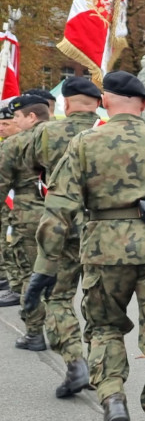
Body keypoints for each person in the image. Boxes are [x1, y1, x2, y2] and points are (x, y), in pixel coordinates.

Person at [25, 71, 145, 421]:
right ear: (142, 104)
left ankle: (113, 399)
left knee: (104, 328)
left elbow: (59, 209)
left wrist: (45, 266)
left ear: (106, 101)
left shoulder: (85, 144)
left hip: (103, 250)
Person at [22, 76, 103, 397]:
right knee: (99, 305)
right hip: (102, 231)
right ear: (98, 103)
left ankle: (74, 362)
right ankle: (101, 368)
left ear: (66, 103)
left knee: (58, 297)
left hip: (61, 228)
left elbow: (30, 169)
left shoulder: (45, 133)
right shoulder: (108, 132)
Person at [0, 93, 51, 350]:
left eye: (17, 116)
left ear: (31, 116)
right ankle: (63, 333)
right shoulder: (67, 139)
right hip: (63, 219)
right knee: (60, 282)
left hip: (28, 221)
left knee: (28, 278)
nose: (14, 122)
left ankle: (34, 332)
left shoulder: (14, 144)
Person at [0, 100, 23, 306]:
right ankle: (10, 281)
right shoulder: (6, 145)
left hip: (23, 204)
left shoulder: (23, 144)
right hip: (10, 203)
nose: (1, 127)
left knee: (16, 244)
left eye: (6, 123)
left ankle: (16, 286)